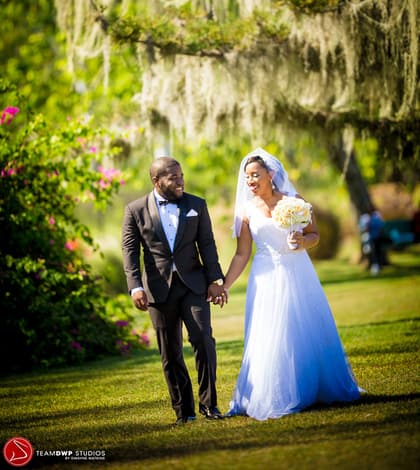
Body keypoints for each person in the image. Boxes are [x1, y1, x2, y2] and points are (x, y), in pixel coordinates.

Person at [223, 147, 362, 421]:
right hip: (264, 276)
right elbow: (241, 254)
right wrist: (224, 285)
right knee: (269, 330)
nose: (250, 181)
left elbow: (314, 235)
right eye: (247, 176)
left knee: (301, 325)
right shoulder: (246, 211)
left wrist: (302, 242)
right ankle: (275, 392)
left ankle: (311, 386)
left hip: (297, 271)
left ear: (271, 174)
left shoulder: (294, 201)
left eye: (255, 175)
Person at [122, 156, 227, 425]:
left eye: (181, 176)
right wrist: (135, 287)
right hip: (158, 290)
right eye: (173, 177)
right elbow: (130, 252)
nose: (180, 181)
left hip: (194, 285)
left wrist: (215, 279)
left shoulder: (197, 205)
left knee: (204, 340)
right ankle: (184, 412)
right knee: (170, 352)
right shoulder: (135, 210)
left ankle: (210, 405)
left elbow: (207, 244)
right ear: (157, 181)